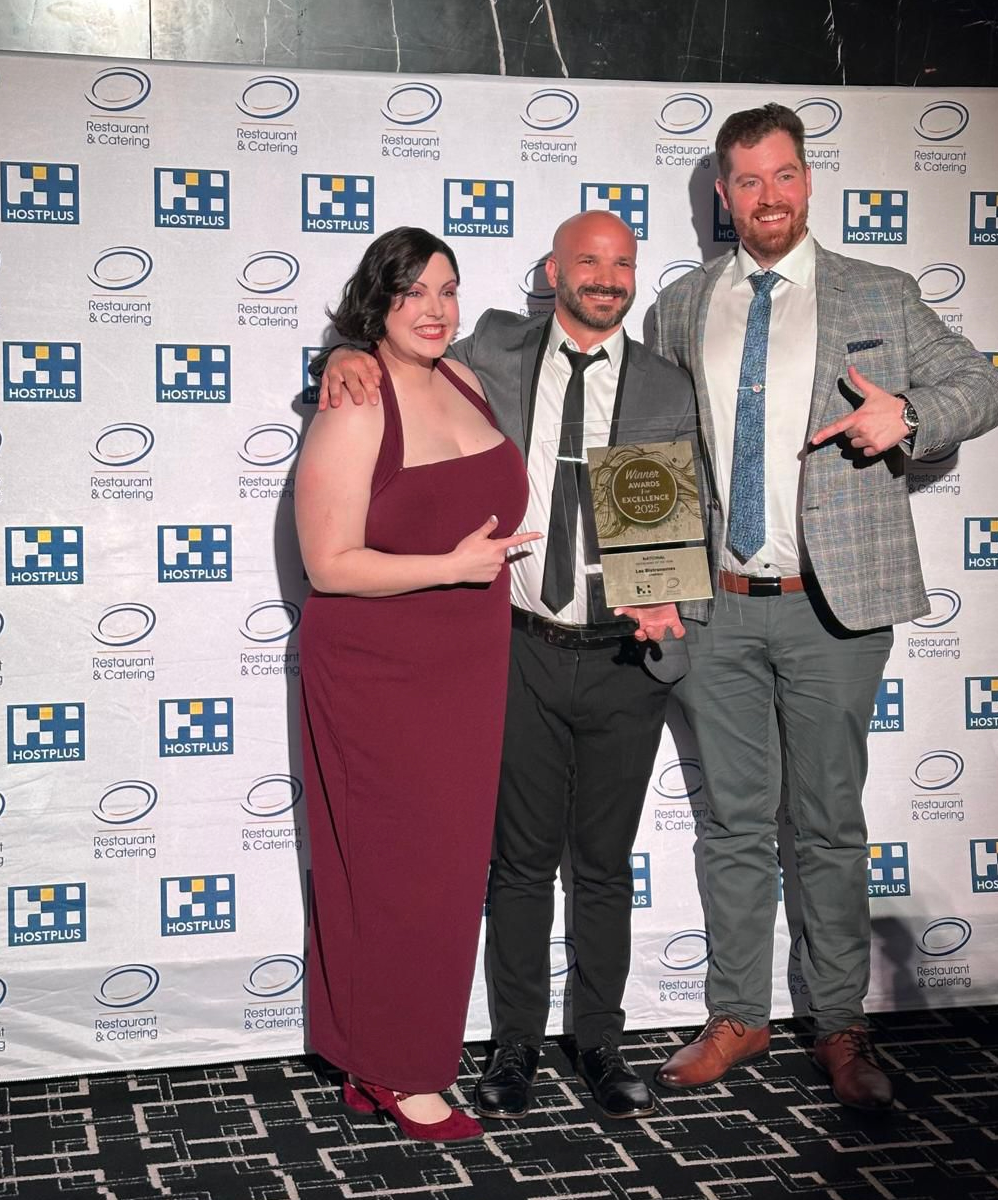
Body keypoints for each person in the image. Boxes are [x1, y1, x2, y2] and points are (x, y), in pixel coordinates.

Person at [651, 103, 998, 1110]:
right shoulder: (679, 309)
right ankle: (737, 1014)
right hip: (716, 608)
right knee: (730, 823)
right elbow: (653, 458)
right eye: (747, 181)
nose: (767, 197)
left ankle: (840, 1025)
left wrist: (911, 416)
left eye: (783, 176)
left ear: (809, 182)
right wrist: (653, 590)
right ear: (722, 196)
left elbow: (983, 386)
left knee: (825, 825)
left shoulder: (882, 294)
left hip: (832, 608)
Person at [317, 210, 700, 1121]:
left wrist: (673, 607)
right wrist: (337, 356)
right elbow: (389, 359)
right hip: (516, 649)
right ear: (554, 270)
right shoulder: (488, 346)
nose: (605, 278)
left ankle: (600, 1041)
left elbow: (681, 506)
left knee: (605, 865)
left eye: (622, 263)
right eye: (588, 261)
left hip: (622, 652)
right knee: (519, 864)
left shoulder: (662, 381)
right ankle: (516, 1047)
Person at [295, 227, 538, 1143]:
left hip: (466, 660)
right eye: (414, 294)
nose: (436, 309)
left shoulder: (467, 378)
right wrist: (448, 566)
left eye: (448, 289)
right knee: (396, 867)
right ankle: (402, 1069)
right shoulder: (356, 402)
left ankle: (374, 1057)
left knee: (441, 868)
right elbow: (328, 564)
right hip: (376, 665)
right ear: (378, 303)